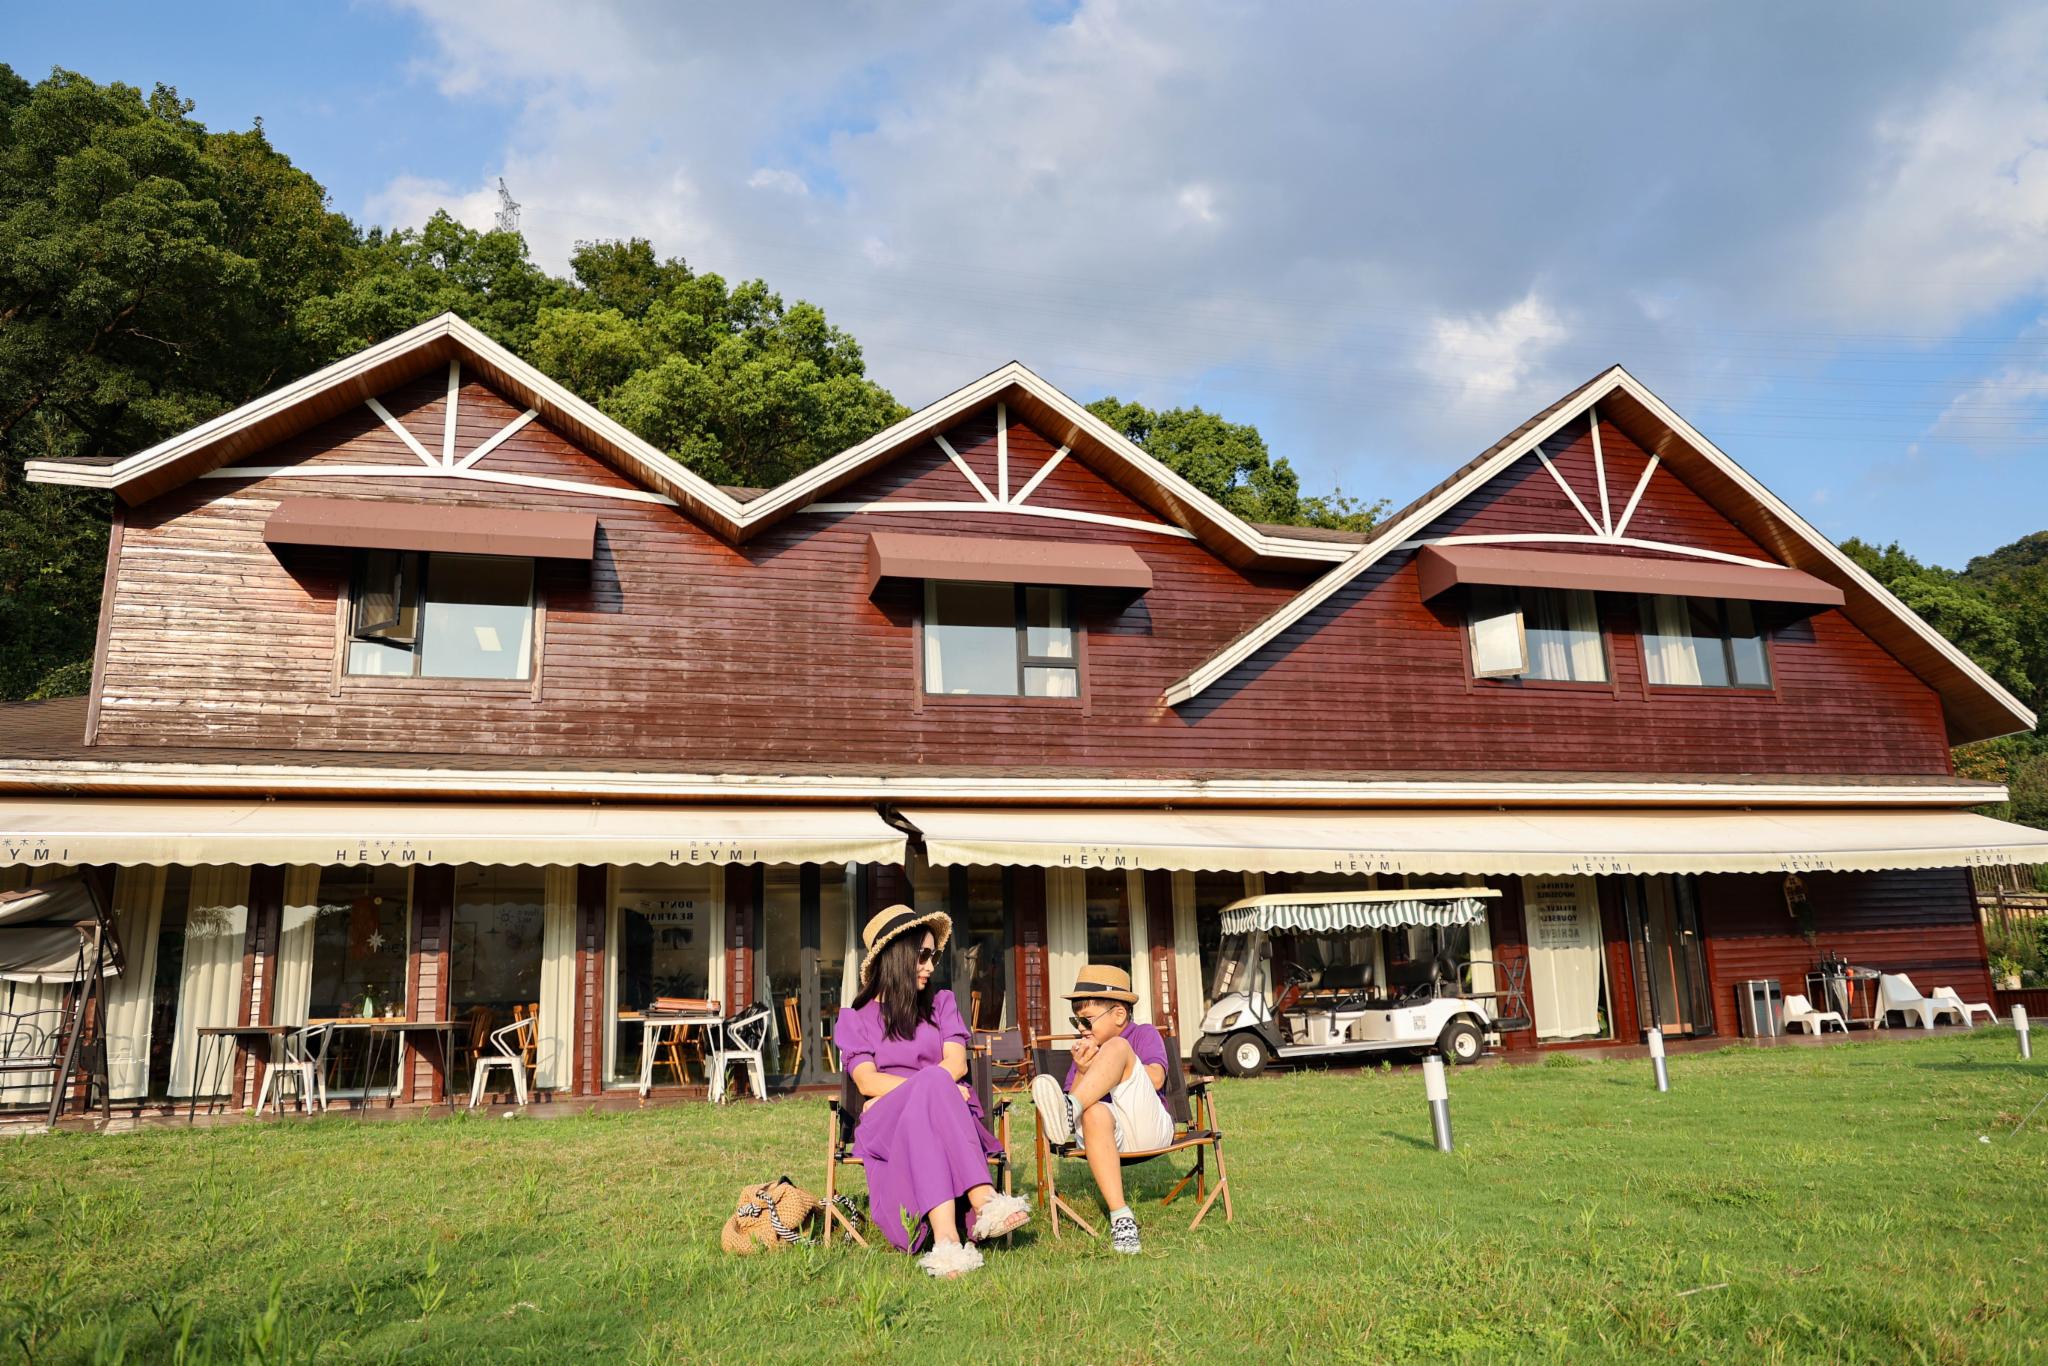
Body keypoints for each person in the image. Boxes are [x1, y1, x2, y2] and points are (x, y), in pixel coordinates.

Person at [834, 904, 1031, 1277]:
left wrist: (930, 1088)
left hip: (941, 1116)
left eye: (934, 955)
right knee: (934, 1086)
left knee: (927, 1107)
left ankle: (946, 1243)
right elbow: (866, 1082)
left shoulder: (941, 1005)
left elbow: (957, 1064)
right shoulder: (855, 1018)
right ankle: (985, 1199)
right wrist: (934, 1084)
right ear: (897, 957)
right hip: (889, 1123)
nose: (931, 965)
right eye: (923, 955)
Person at [1030, 964, 1175, 1254]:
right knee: (1093, 1110)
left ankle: (1069, 1107)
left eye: (1086, 1021)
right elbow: (1080, 1101)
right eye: (1076, 1023)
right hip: (1105, 1137)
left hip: (1146, 1126)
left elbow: (1157, 1078)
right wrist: (1084, 1070)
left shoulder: (1143, 1034)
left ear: (1119, 1014)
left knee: (1119, 1048)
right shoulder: (1086, 1049)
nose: (1081, 1030)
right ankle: (1122, 1217)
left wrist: (1117, 1065)